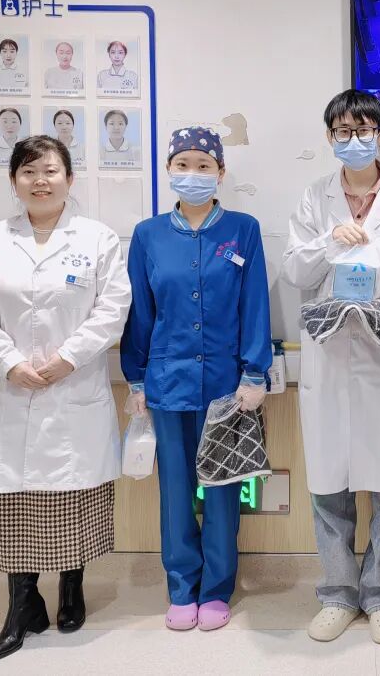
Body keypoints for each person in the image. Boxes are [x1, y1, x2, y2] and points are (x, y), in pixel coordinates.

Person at [0, 135, 131, 661]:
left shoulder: (97, 239)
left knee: (73, 498)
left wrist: (68, 359)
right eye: (28, 171)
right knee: (15, 504)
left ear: (69, 179)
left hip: (73, 386)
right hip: (11, 390)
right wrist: (10, 362)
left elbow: (112, 308)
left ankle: (72, 589)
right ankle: (22, 606)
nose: (40, 180)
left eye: (50, 170)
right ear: (14, 181)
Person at [282, 90, 380, 646]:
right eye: (343, 131)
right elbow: (296, 271)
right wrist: (329, 241)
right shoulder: (314, 197)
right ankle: (339, 594)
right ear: (330, 138)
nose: (354, 139)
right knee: (329, 485)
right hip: (330, 355)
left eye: (364, 129)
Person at [121, 126, 273, 633]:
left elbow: (254, 303)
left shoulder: (243, 230)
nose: (193, 174)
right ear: (169, 171)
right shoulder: (148, 235)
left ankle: (217, 589)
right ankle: (182, 586)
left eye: (203, 165)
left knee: (224, 489)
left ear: (220, 172)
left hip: (227, 386)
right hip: (167, 381)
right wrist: (136, 379)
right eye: (182, 165)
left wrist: (255, 370)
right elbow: (141, 311)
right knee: (176, 488)